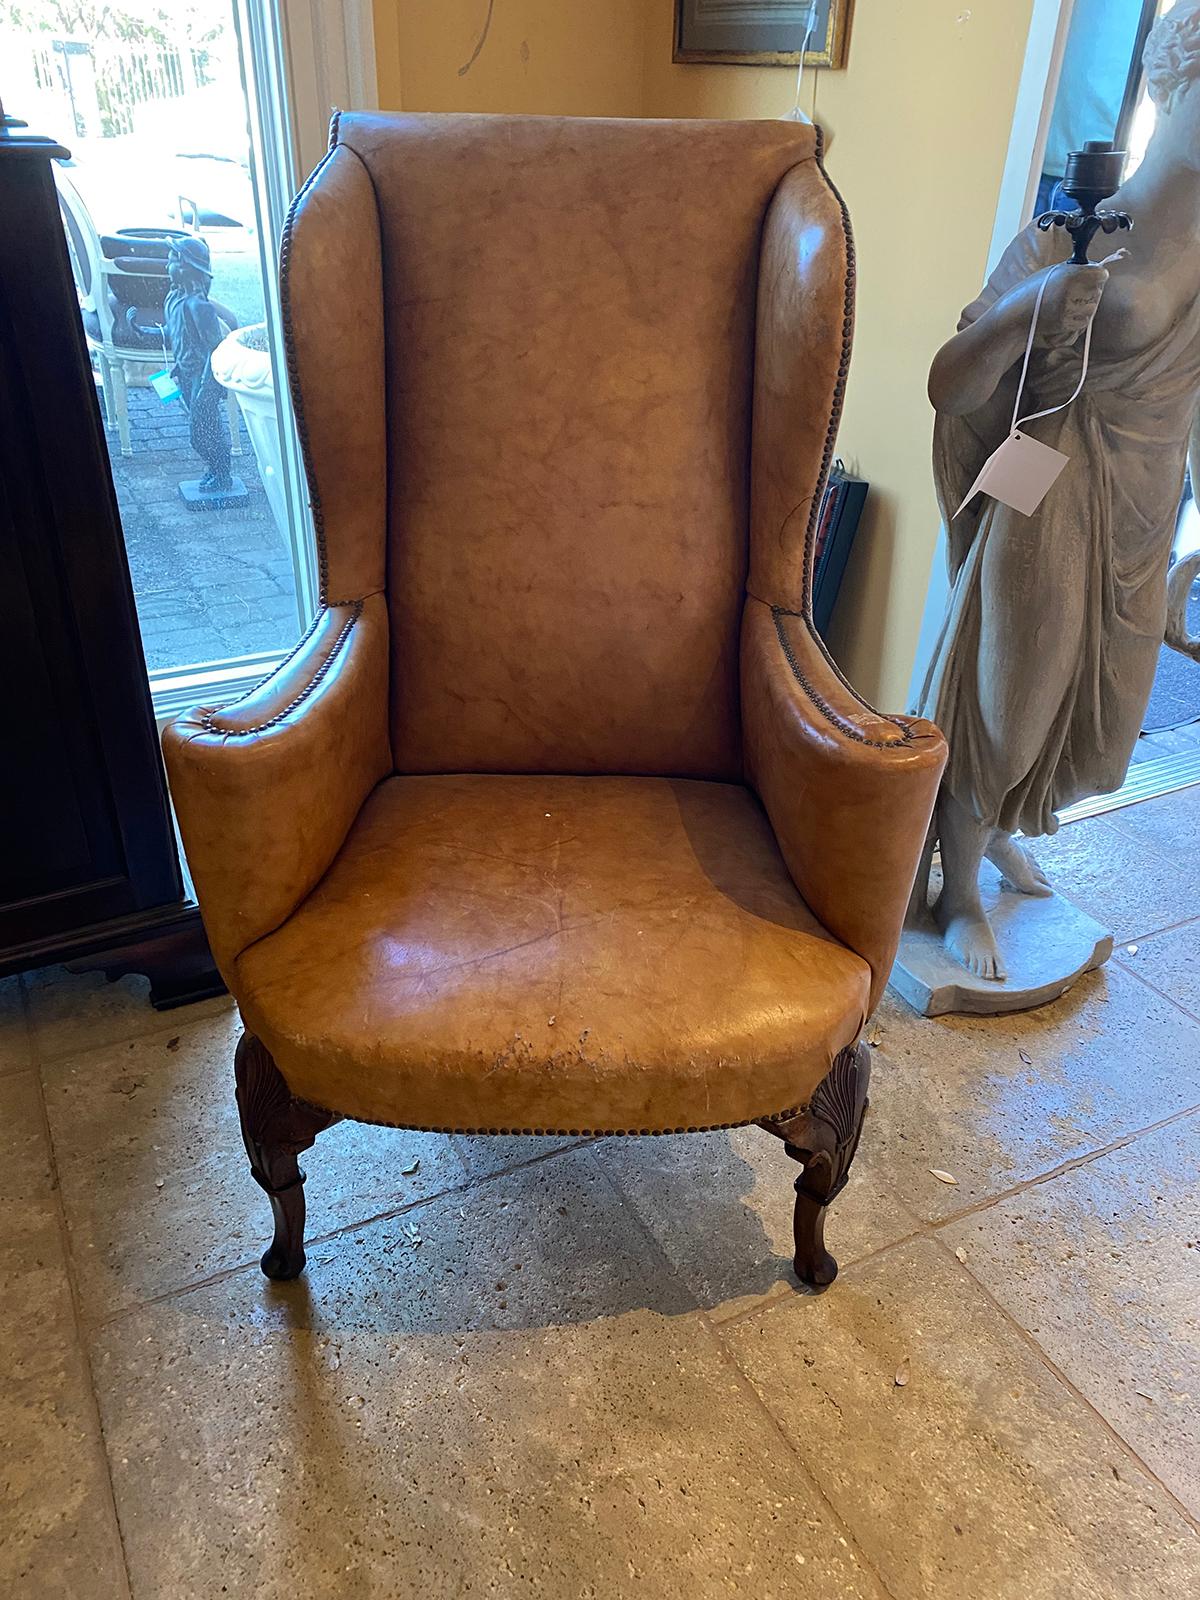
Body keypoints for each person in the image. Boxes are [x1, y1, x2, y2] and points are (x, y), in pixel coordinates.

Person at [918, 1, 1200, 980]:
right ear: (1185, 83)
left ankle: (993, 831)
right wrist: (1035, 306)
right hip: (1046, 485)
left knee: (1101, 721)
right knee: (1010, 698)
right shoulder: (1070, 225)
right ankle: (952, 891)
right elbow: (951, 381)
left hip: (1144, 499)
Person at [164, 235, 235, 495]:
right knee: (201, 430)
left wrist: (208, 385)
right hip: (186, 373)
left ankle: (223, 474)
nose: (167, 267)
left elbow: (215, 347)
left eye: (173, 260)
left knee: (204, 430)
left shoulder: (199, 306)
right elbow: (178, 336)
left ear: (189, 267)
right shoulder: (174, 301)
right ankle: (214, 471)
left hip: (204, 378)